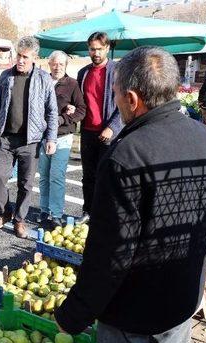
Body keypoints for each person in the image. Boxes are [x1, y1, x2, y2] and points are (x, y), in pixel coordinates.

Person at [54, 46, 206, 343]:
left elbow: (110, 255)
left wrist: (73, 314)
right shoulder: (203, 137)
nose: (115, 101)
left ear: (132, 99)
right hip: (179, 301)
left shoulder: (127, 154)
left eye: (115, 95)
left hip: (130, 312)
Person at [0, 36, 57, 238]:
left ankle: (19, 220)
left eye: (25, 57)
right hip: (6, 139)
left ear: (34, 57)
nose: (20, 60)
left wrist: (51, 138)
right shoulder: (5, 76)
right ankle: (5, 212)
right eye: (18, 55)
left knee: (26, 184)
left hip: (31, 140)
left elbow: (52, 111)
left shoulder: (44, 78)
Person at [77, 32, 123, 222]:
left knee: (107, 176)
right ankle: (88, 211)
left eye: (99, 49)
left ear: (107, 48)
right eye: (92, 49)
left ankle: (105, 214)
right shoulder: (83, 73)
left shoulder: (118, 71)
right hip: (88, 131)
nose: (95, 53)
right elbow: (80, 101)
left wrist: (112, 127)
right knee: (88, 176)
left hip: (109, 133)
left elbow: (125, 102)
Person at [39, 51, 86, 227]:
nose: (57, 67)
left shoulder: (72, 84)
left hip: (63, 135)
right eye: (54, 63)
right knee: (43, 176)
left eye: (61, 64)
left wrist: (63, 119)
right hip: (42, 136)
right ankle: (44, 211)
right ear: (49, 64)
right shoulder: (41, 81)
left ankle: (56, 213)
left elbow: (81, 110)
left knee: (56, 175)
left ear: (65, 65)